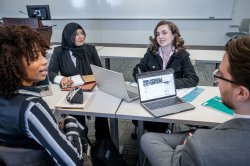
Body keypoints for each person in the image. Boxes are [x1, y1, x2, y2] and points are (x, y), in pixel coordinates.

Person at [140, 35, 250, 166]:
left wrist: (187, 146)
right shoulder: (151, 52)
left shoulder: (199, 147)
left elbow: (192, 78)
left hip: (195, 146)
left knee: (147, 138)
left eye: (220, 75)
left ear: (241, 93)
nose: (218, 81)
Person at [0, 25, 92, 165]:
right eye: (35, 56)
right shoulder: (32, 107)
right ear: (13, 62)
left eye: (42, 54)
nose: (44, 61)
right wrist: (71, 123)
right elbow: (73, 162)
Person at [132, 20, 199, 133]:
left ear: (174, 35)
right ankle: (158, 134)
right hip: (152, 94)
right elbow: (138, 68)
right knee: (135, 115)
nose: (160, 37)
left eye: (164, 33)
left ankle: (160, 134)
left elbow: (193, 79)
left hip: (170, 96)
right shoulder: (151, 52)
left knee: (156, 120)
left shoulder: (182, 55)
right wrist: (141, 79)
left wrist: (168, 84)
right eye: (158, 34)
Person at [48, 22, 110, 142]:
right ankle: (82, 144)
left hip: (93, 91)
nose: (81, 37)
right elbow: (51, 73)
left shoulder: (90, 49)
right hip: (73, 94)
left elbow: (100, 71)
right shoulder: (59, 51)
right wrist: (62, 79)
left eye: (82, 33)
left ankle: (103, 144)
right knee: (78, 123)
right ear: (68, 36)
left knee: (103, 117)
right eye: (76, 34)